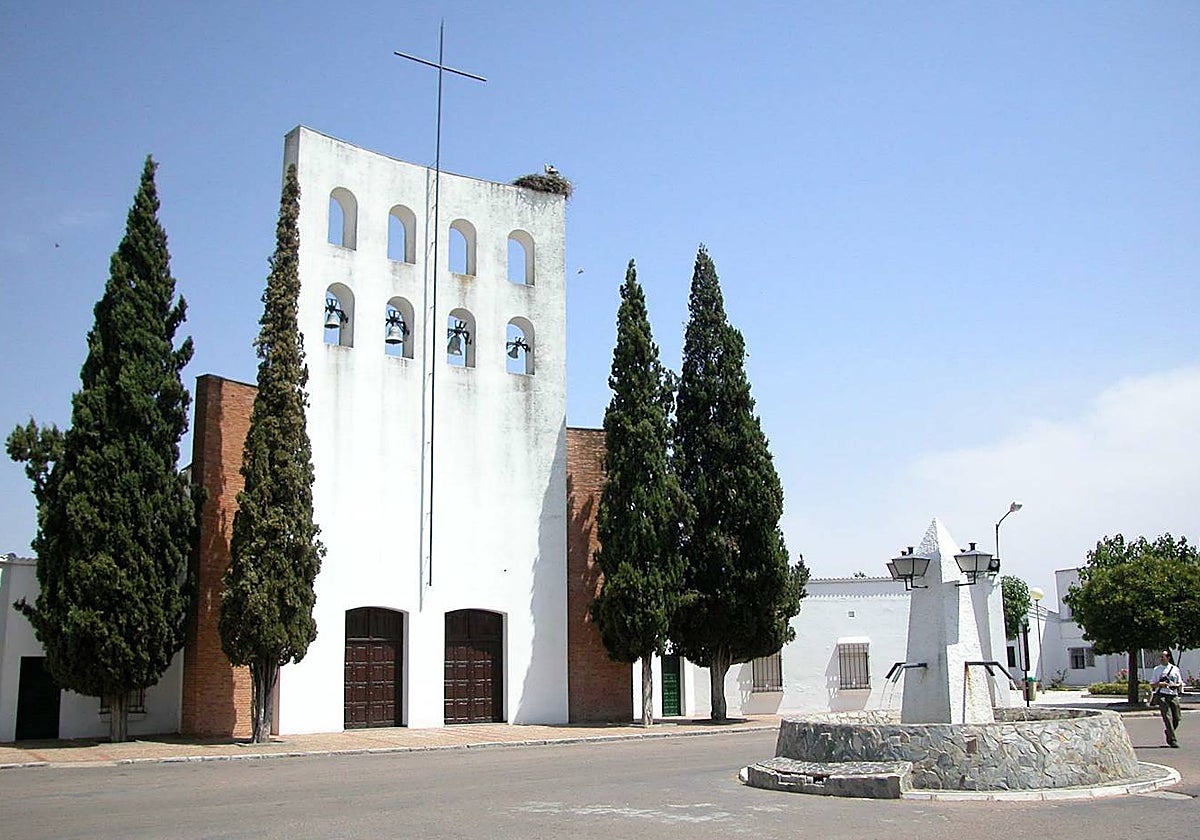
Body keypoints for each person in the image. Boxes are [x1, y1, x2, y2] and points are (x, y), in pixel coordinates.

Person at [1150, 650, 1184, 748]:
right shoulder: (1157, 669)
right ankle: (1173, 740)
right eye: (1160, 657)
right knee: (1167, 717)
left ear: (1168, 658)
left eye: (1163, 657)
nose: (1161, 659)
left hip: (1173, 694)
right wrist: (1160, 684)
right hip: (1163, 695)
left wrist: (1177, 685)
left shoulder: (1175, 669)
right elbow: (1152, 683)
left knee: (1177, 718)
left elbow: (1180, 682)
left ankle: (1169, 731)